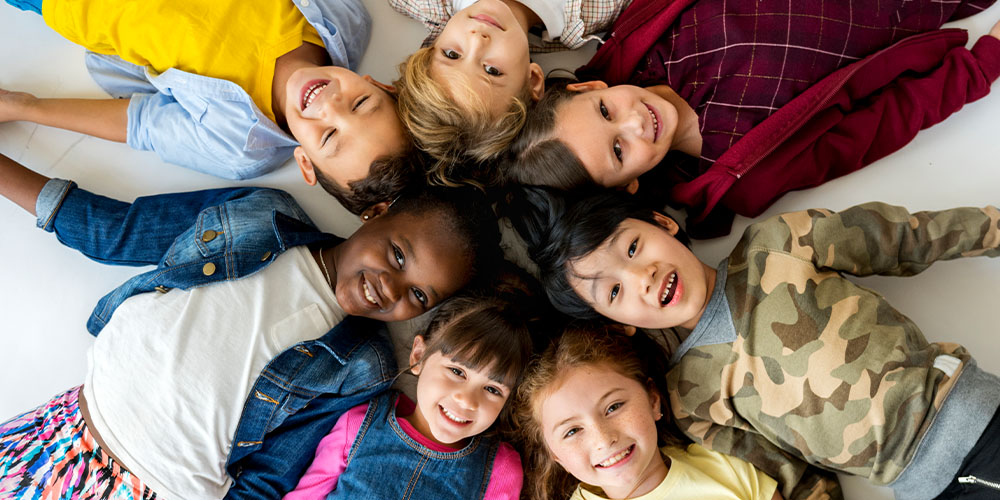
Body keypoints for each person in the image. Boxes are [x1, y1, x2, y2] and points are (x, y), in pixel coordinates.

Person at [0, 151, 502, 500]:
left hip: (157, 486)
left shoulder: (362, 364)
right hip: (61, 428)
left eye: (419, 294)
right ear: (376, 212)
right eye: (398, 253)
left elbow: (270, 475)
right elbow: (119, 230)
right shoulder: (260, 214)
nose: (391, 287)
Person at [508, 187, 1000, 500]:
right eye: (613, 291)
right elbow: (792, 477)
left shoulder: (778, 243)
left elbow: (906, 238)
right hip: (919, 487)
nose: (641, 276)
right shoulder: (690, 396)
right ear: (617, 324)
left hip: (971, 416)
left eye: (633, 247)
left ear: (663, 223)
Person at [504, 1, 1000, 236]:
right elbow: (883, 123)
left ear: (593, 88)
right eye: (619, 151)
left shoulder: (645, 34)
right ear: (628, 186)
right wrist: (982, 66)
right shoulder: (741, 170)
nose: (634, 123)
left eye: (606, 111)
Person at [0, 0, 419, 214]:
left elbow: (140, 123)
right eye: (362, 104)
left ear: (305, 164)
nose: (331, 105)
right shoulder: (345, 20)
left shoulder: (239, 146)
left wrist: (25, 107)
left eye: (329, 136)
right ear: (377, 84)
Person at [284, 287, 540, 499]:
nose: (466, 399)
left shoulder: (500, 468)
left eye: (492, 389)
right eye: (457, 372)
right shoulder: (360, 423)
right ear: (419, 357)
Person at [514, 323, 812, 500]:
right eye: (572, 431)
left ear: (653, 400)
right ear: (555, 455)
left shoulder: (725, 465)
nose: (603, 439)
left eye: (614, 407)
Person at [391, 0, 626, 180]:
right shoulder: (594, 10)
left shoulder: (427, 4)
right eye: (492, 70)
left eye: (451, 54)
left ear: (433, 45)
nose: (477, 39)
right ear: (532, 80)